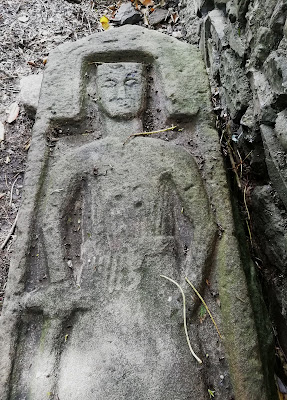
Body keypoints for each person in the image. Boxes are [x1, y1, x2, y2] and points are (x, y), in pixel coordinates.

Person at [26, 62, 217, 398]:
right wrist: (61, 281)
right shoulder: (80, 159)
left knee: (173, 375)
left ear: (147, 88)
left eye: (131, 81)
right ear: (94, 92)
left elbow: (204, 226)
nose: (121, 92)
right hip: (101, 276)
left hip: (159, 277)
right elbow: (49, 217)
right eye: (109, 83)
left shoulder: (170, 157)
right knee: (91, 380)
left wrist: (188, 289)